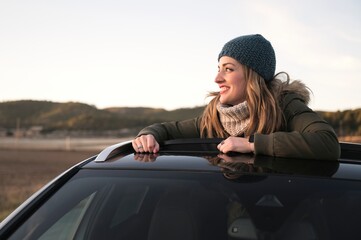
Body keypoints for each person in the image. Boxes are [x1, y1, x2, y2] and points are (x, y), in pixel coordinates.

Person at [132, 34, 340, 160]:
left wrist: (252, 144)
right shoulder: (213, 117)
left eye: (228, 69)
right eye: (218, 69)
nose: (217, 78)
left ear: (253, 77)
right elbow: (167, 129)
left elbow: (328, 143)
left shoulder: (285, 106)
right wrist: (148, 135)